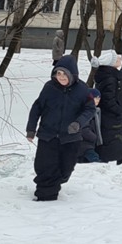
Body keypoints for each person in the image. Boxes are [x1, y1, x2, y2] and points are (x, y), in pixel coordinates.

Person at [25, 55, 94, 200]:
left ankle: (56, 182)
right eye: (58, 73)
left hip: (70, 137)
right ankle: (45, 197)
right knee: (45, 167)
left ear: (72, 74)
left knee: (65, 168)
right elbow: (37, 107)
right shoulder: (49, 87)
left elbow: (90, 109)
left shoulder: (83, 90)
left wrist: (78, 123)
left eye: (64, 74)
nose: (61, 77)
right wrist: (31, 129)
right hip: (47, 135)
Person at [92, 50, 122, 163]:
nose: (120, 59)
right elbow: (108, 100)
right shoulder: (110, 78)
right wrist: (119, 110)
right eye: (117, 59)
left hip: (107, 115)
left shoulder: (107, 75)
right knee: (111, 138)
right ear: (110, 63)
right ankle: (108, 159)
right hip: (110, 116)